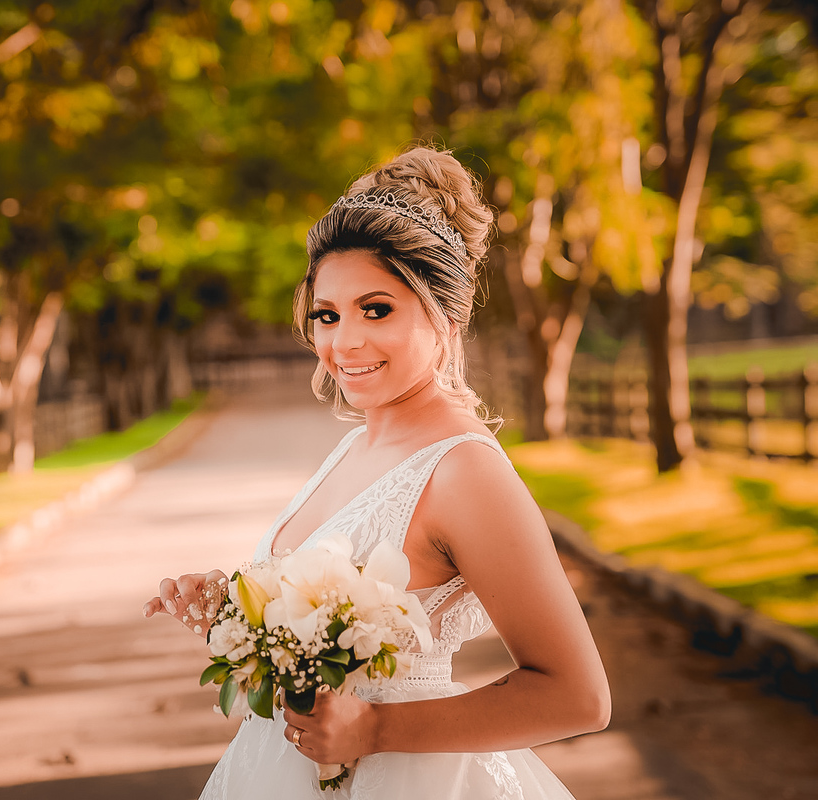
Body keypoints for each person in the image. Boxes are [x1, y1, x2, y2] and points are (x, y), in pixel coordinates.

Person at [143, 145, 610, 799]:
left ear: (445, 318)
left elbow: (578, 696)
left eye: (377, 309)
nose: (344, 342)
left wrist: (372, 729)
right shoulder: (359, 442)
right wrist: (243, 618)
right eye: (327, 315)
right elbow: (335, 645)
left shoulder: (464, 472)